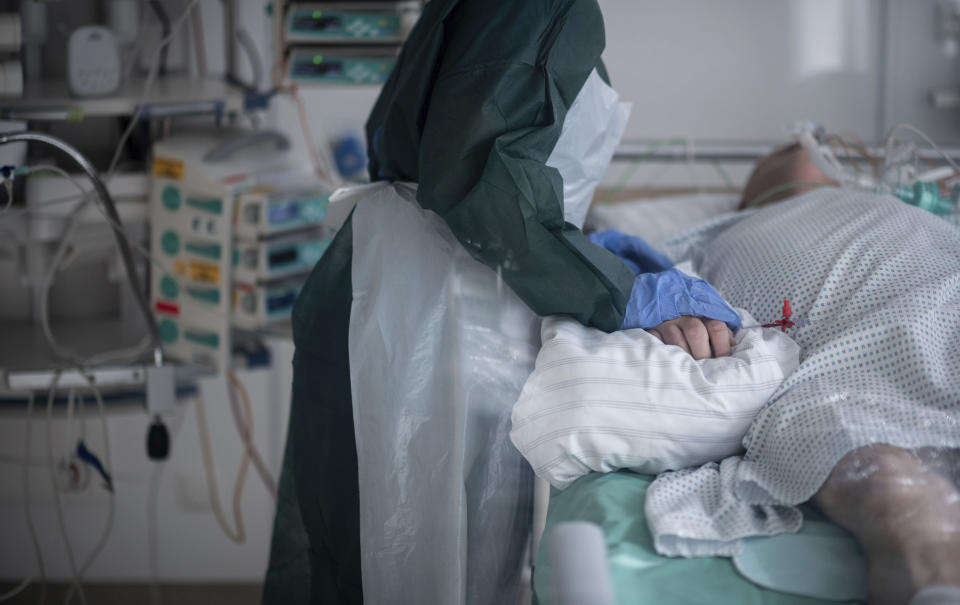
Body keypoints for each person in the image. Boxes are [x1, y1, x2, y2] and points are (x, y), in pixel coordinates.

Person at [262, 1, 740, 603]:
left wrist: (585, 249)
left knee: (362, 561)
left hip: (396, 293)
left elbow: (480, 161)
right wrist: (618, 290)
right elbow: (486, 187)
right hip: (434, 321)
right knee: (409, 566)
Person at [642, 141, 960, 605]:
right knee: (892, 488)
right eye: (781, 148)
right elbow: (621, 290)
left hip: (946, 310)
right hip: (835, 376)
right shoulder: (701, 240)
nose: (802, 146)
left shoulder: (903, 210)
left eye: (815, 143)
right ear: (749, 192)